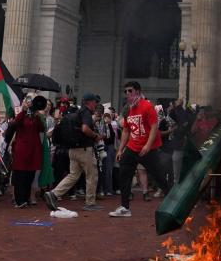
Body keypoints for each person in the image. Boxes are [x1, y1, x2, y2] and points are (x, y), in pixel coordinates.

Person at [110, 82, 173, 218]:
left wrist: (148, 145)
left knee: (159, 176)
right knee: (124, 174)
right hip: (132, 148)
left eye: (130, 91)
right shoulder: (128, 109)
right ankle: (125, 207)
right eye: (125, 91)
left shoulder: (147, 106)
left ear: (137, 92)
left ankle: (174, 202)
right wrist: (120, 150)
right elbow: (126, 130)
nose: (127, 94)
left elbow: (154, 127)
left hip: (148, 149)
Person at [45, 93, 103, 211]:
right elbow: (85, 129)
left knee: (73, 175)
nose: (96, 104)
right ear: (89, 102)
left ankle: (54, 193)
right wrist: (95, 136)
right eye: (95, 102)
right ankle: (90, 203)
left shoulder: (76, 114)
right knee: (92, 175)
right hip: (84, 149)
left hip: (72, 149)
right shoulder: (86, 113)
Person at [10, 96, 46, 208]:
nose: (30, 104)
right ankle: (19, 199)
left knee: (30, 175)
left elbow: (42, 128)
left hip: (33, 150)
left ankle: (26, 198)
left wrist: (38, 116)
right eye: (27, 102)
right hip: (22, 149)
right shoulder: (20, 114)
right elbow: (16, 122)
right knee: (20, 175)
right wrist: (24, 110)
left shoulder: (35, 116)